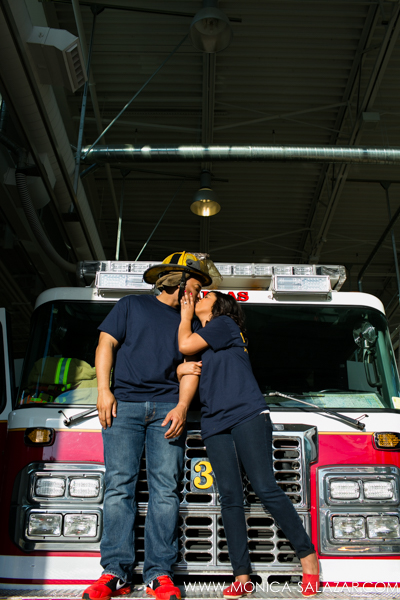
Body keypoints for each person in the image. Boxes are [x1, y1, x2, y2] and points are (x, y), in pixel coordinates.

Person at [83, 252, 212, 600]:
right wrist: (104, 391)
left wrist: (184, 406)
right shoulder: (130, 306)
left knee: (165, 491)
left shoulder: (192, 324)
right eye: (196, 286)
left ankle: (159, 574)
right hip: (123, 406)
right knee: (119, 487)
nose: (198, 294)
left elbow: (191, 367)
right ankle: (115, 572)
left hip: (169, 409)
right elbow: (105, 344)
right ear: (178, 281)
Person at [178, 290, 320, 599]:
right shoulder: (204, 336)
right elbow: (186, 360)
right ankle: (241, 575)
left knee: (265, 487)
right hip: (214, 421)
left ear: (219, 306)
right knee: (229, 496)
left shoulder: (224, 324)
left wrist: (185, 316)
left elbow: (184, 345)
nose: (198, 297)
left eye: (205, 296)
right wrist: (180, 368)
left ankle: (308, 560)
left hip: (247, 413)